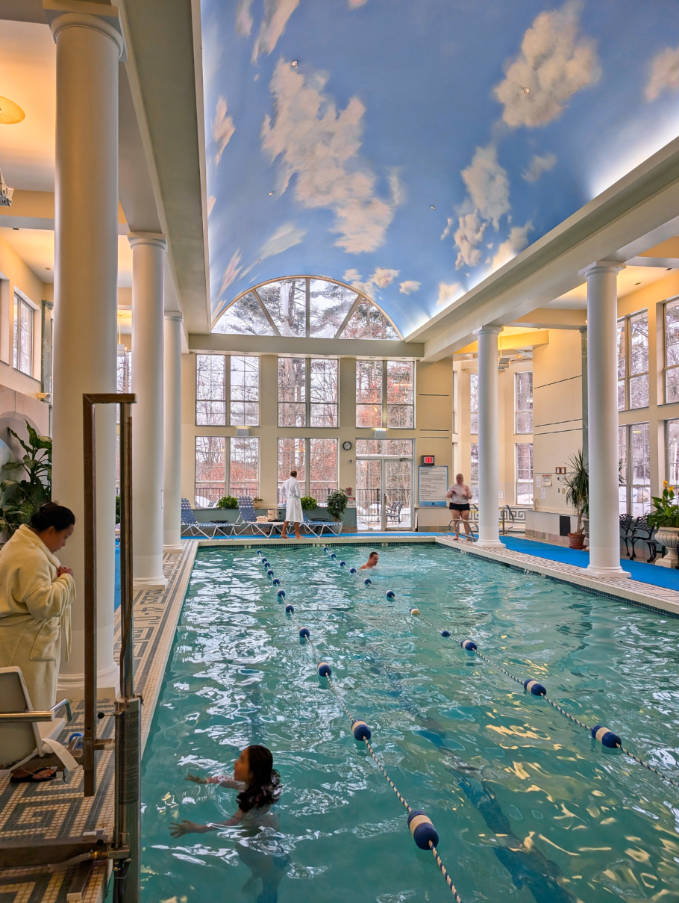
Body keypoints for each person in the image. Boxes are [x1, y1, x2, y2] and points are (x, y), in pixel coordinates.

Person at [0, 502, 76, 711]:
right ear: (51, 531)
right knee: (31, 705)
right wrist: (65, 580)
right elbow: (43, 605)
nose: (64, 544)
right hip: (26, 645)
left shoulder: (21, 546)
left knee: (19, 703)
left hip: (20, 641)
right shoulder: (30, 557)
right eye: (65, 536)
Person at [170, 744, 282, 835]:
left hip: (257, 828)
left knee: (242, 847)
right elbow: (228, 782)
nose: (236, 762)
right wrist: (206, 781)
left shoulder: (248, 800)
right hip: (267, 817)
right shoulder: (253, 784)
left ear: (251, 774)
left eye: (242, 760)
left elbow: (231, 822)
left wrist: (199, 828)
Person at [446, 473, 474, 542]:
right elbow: (447, 496)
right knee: (456, 521)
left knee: (465, 521)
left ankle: (467, 536)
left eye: (460, 478)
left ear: (462, 479)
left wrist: (466, 495)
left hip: (464, 505)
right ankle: (456, 536)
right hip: (454, 504)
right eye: (457, 478)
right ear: (456, 479)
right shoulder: (452, 487)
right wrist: (452, 493)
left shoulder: (466, 487)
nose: (459, 479)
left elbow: (470, 496)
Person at [280, 470, 302, 539]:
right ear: (296, 475)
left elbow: (281, 490)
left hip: (289, 501)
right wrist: (296, 496)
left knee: (288, 517)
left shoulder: (286, 481)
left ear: (290, 474)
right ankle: (297, 534)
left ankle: (283, 533)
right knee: (297, 517)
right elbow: (298, 494)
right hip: (295, 500)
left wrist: (286, 496)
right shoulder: (296, 482)